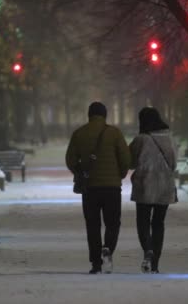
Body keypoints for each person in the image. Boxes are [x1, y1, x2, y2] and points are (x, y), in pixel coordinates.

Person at [66, 102, 131, 274]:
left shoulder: (79, 134)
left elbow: (70, 160)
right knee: (113, 223)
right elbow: (126, 160)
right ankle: (108, 248)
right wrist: (120, 174)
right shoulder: (114, 133)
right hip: (112, 188)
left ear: (89, 115)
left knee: (93, 225)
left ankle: (96, 263)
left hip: (90, 188)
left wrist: (81, 171)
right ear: (105, 115)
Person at [129, 107, 177, 274]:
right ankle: (155, 263)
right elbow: (174, 163)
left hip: (144, 185)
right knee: (158, 223)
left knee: (143, 221)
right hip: (165, 186)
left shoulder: (140, 139)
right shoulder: (169, 138)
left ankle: (148, 250)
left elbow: (130, 162)